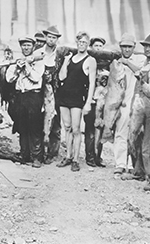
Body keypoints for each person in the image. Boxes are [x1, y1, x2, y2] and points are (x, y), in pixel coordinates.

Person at [56, 31, 97, 172]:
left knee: (76, 129)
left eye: (84, 42)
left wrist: (88, 103)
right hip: (64, 96)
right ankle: (68, 156)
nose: (82, 44)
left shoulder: (90, 61)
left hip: (77, 98)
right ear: (76, 43)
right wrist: (66, 61)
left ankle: (75, 159)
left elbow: (92, 83)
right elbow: (61, 77)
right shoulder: (71, 58)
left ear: (88, 44)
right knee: (66, 127)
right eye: (80, 42)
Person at [128, 32, 150, 189]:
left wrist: (141, 81)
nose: (148, 49)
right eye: (146, 46)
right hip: (140, 104)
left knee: (149, 143)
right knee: (135, 138)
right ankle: (138, 171)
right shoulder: (146, 63)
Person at [39, 25, 77, 164]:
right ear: (45, 37)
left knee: (55, 122)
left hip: (57, 91)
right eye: (49, 37)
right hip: (41, 91)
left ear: (57, 39)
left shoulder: (60, 55)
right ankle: (39, 151)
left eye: (54, 37)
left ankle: (52, 153)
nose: (51, 39)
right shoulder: (39, 52)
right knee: (41, 121)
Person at [5, 36, 45, 168]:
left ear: (33, 47)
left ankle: (37, 157)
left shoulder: (39, 61)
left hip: (33, 96)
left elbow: (35, 77)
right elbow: (9, 79)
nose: (26, 48)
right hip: (20, 97)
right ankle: (24, 154)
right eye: (23, 45)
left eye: (28, 45)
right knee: (22, 125)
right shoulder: (16, 61)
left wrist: (27, 66)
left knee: (34, 126)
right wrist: (17, 68)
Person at [112, 33, 146, 178]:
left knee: (136, 134)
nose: (126, 50)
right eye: (124, 47)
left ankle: (133, 164)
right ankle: (120, 164)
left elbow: (141, 73)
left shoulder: (141, 59)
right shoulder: (116, 62)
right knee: (120, 133)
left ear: (134, 47)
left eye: (129, 47)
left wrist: (128, 63)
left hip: (136, 103)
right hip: (121, 103)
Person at [83, 37, 107, 167]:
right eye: (96, 46)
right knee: (90, 130)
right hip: (90, 101)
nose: (98, 48)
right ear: (91, 47)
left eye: (100, 46)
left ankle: (98, 156)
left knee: (100, 129)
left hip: (102, 101)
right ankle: (90, 156)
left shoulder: (108, 64)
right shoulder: (88, 62)